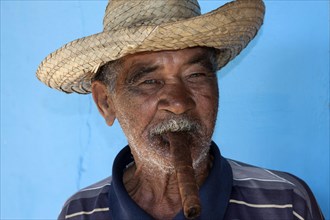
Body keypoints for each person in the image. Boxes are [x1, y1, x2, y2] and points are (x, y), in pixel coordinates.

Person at [36, 0, 324, 219]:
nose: (178, 102)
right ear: (105, 102)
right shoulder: (81, 212)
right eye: (149, 81)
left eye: (196, 76)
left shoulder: (286, 203)